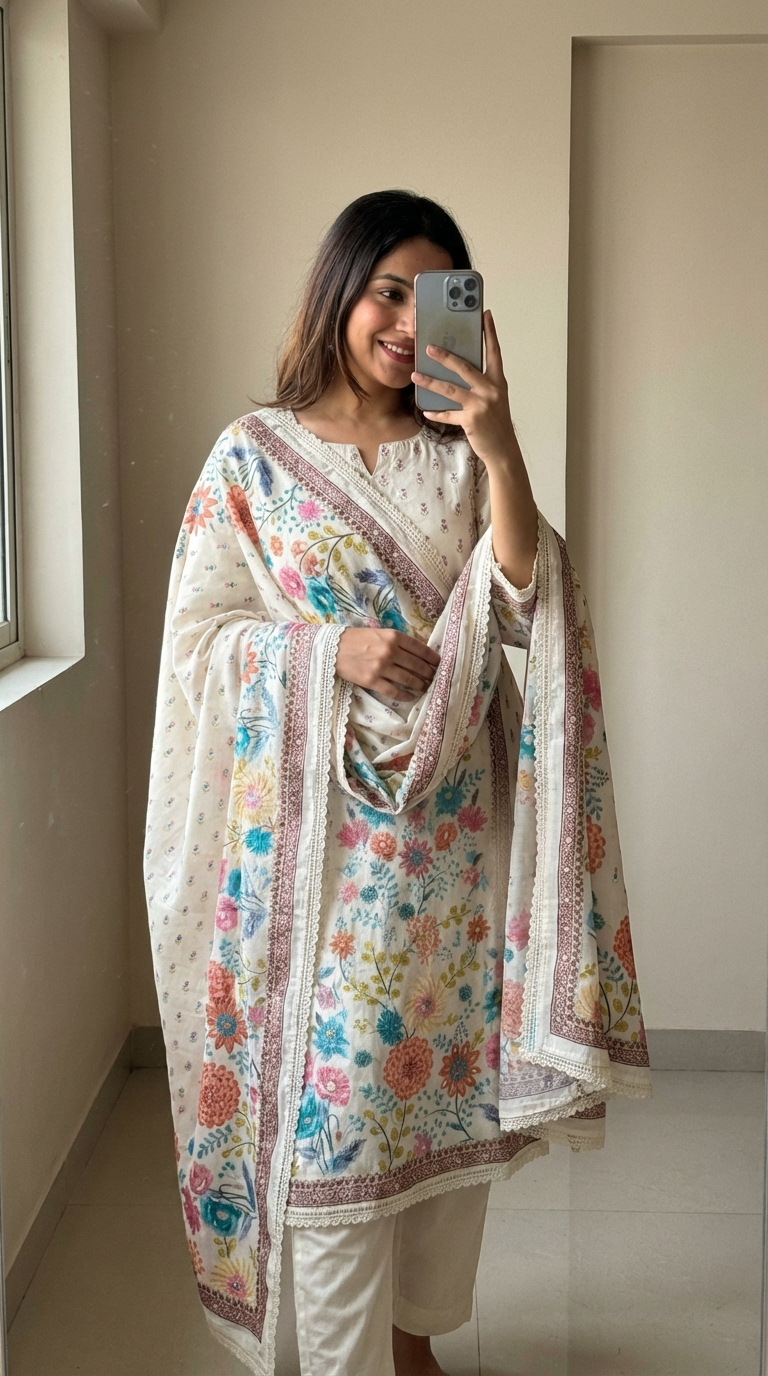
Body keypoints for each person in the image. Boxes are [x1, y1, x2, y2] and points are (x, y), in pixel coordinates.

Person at [145, 191, 650, 1376]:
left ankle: (412, 1345)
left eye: (431, 300)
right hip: (316, 861)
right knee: (334, 1129)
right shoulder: (252, 458)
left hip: (454, 850)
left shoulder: (460, 458)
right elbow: (198, 643)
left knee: (439, 1118)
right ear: (340, 290)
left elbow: (521, 605)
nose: (404, 324)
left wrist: (501, 445)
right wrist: (332, 651)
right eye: (386, 292)